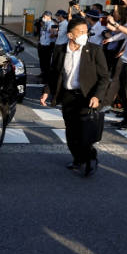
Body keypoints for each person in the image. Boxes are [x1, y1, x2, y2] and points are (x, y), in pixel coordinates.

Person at [41, 17, 109, 176]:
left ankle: (91, 159)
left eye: (86, 31)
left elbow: (104, 77)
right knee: (71, 132)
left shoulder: (94, 50)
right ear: (70, 35)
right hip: (68, 96)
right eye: (81, 32)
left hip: (87, 97)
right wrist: (46, 91)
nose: (85, 35)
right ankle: (77, 158)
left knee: (84, 132)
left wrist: (97, 96)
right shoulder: (59, 50)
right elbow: (53, 73)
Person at [37, 10, 55, 84]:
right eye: (43, 16)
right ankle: (42, 73)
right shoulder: (44, 23)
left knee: (46, 61)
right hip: (42, 44)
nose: (43, 17)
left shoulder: (51, 24)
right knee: (41, 60)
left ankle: (46, 77)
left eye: (44, 16)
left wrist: (52, 33)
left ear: (48, 16)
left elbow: (52, 33)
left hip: (47, 45)